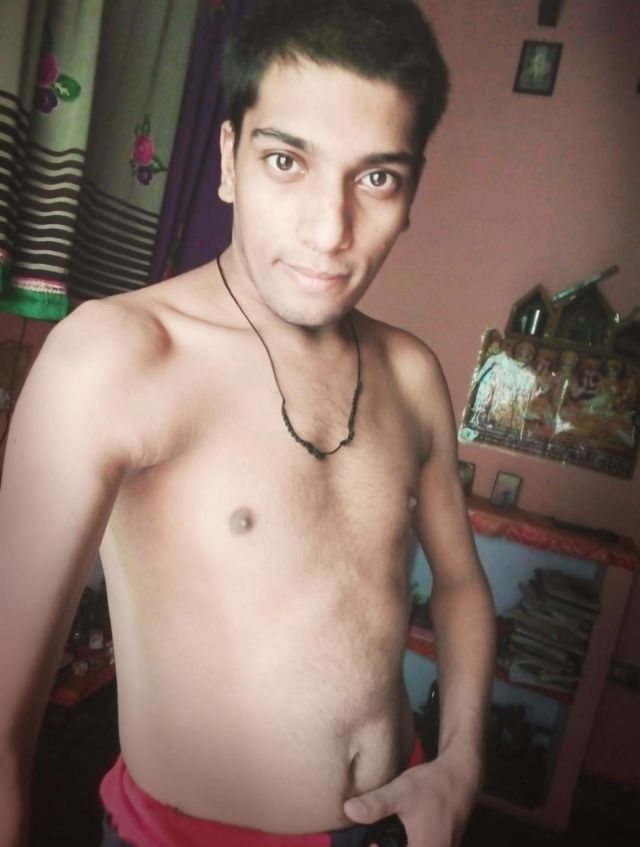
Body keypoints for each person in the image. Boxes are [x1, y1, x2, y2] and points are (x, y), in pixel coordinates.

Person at [0, 1, 496, 845]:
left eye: (376, 178)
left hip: (399, 820)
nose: (329, 230)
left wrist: (461, 762)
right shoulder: (117, 356)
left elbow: (458, 584)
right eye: (286, 161)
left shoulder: (412, 373)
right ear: (229, 161)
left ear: (411, 191)